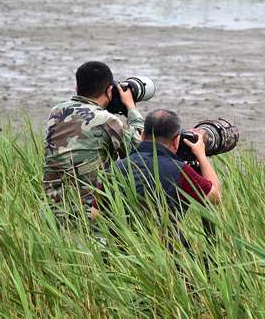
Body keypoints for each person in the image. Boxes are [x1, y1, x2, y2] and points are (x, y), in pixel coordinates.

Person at [98, 109, 222, 247]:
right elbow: (215, 196)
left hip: (123, 251)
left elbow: (96, 215)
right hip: (167, 252)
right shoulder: (180, 171)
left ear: (143, 135)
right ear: (176, 141)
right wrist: (201, 156)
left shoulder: (116, 168)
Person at [42, 61, 144, 225]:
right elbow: (142, 148)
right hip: (89, 217)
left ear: (77, 88)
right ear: (109, 91)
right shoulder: (106, 120)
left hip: (51, 214)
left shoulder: (56, 111)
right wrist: (130, 107)